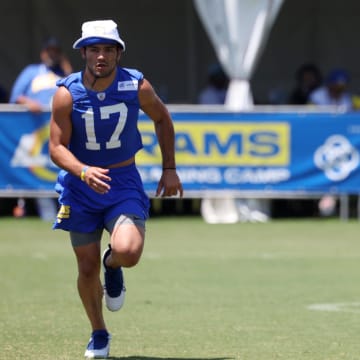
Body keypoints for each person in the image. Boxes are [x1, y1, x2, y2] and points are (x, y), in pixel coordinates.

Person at [49, 19, 183, 358]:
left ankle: (114, 267)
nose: (101, 56)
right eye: (94, 49)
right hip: (80, 187)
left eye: (109, 49)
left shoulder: (136, 86)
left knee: (128, 251)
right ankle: (98, 332)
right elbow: (56, 147)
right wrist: (81, 170)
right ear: (83, 53)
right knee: (85, 267)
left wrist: (169, 168)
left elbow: (162, 119)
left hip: (122, 182)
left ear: (118, 53)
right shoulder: (66, 93)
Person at [9, 37, 73, 220]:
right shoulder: (32, 71)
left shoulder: (64, 74)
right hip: (34, 132)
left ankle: (66, 213)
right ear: (43, 52)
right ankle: (47, 216)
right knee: (37, 171)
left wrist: (66, 67)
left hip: (60, 132)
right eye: (49, 50)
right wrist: (30, 103)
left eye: (56, 51)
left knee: (62, 170)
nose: (52, 54)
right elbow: (16, 96)